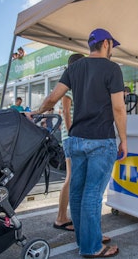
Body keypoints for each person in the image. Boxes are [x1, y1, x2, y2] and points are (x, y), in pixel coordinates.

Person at [26, 28, 126, 258]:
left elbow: (53, 98)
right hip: (101, 140)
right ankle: (92, 248)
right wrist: (124, 140)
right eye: (112, 45)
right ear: (107, 43)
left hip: (77, 139)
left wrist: (36, 112)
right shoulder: (112, 68)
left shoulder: (74, 68)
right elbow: (119, 108)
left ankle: (85, 242)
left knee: (79, 193)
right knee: (92, 195)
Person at [53, 53, 84, 232]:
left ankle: (63, 216)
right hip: (71, 137)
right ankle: (61, 217)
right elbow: (65, 112)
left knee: (72, 177)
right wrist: (72, 133)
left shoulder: (73, 86)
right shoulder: (69, 86)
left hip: (71, 136)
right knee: (71, 177)